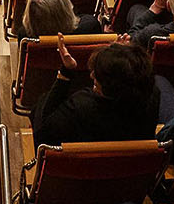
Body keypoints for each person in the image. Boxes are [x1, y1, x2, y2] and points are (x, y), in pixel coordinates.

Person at [31, 38, 160, 146]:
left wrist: (65, 74)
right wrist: (119, 55)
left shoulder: (80, 107)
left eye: (97, 74)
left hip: (81, 167)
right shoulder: (153, 96)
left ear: (110, 85)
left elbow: (42, 134)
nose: (92, 75)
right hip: (135, 168)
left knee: (42, 101)